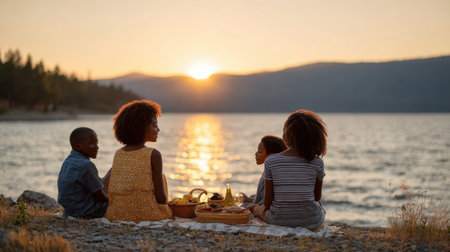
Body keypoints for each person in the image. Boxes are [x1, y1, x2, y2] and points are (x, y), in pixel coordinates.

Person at [253, 110, 327, 230]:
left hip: (278, 221)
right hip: (311, 221)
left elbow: (267, 203)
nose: (282, 135)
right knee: (320, 208)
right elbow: (316, 198)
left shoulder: (271, 161)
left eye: (284, 131)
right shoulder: (317, 162)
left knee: (257, 208)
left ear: (290, 135)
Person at [105, 100, 172, 223]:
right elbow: (161, 198)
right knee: (160, 177)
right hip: (149, 215)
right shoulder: (153, 154)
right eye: (154, 125)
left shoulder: (118, 154)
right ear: (140, 127)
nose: (158, 129)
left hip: (117, 214)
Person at [57, 127, 109, 219]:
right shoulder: (86, 165)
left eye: (96, 143)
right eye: (91, 143)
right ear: (78, 147)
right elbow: (100, 198)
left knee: (106, 179)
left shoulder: (68, 161)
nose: (97, 147)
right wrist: (113, 199)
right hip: (86, 212)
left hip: (70, 211)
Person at [242, 136, 286, 210]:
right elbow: (263, 198)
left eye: (260, 152)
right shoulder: (274, 170)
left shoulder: (269, 174)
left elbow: (263, 204)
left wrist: (242, 209)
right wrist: (247, 199)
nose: (255, 154)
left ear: (271, 156)